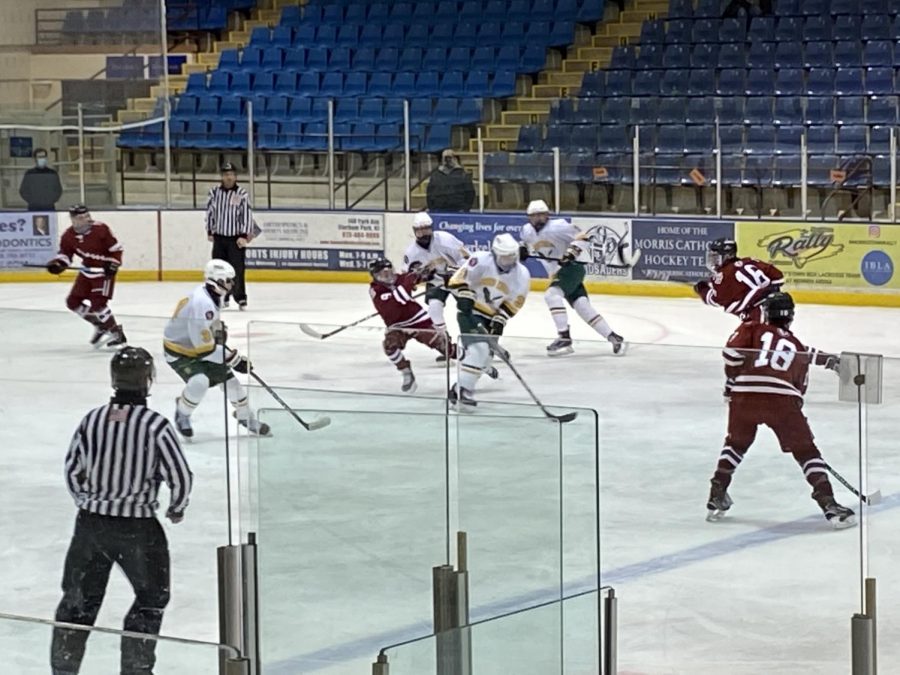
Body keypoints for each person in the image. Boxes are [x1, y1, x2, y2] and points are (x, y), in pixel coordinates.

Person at [51, 347, 192, 675]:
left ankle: (63, 671)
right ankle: (136, 670)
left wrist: (89, 502)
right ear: (148, 381)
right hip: (138, 529)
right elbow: (180, 476)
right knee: (150, 599)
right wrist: (177, 507)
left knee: (77, 603)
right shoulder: (155, 426)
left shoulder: (93, 420)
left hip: (91, 526)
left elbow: (73, 470)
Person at [706, 292, 855, 529]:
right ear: (791, 317)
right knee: (806, 451)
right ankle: (828, 503)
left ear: (767, 313)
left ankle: (717, 492)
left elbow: (731, 355)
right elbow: (799, 387)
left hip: (744, 395)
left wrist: (731, 385)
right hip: (782, 399)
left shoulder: (752, 328)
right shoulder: (795, 345)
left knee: (735, 444)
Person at [163, 259, 270, 438]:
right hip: (180, 352)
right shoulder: (202, 303)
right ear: (218, 280)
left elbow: (207, 337)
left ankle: (246, 418)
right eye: (229, 280)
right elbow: (204, 349)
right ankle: (182, 413)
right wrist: (235, 360)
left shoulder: (210, 296)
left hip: (197, 346)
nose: (232, 284)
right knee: (199, 382)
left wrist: (220, 338)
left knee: (232, 383)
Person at [519, 200, 625, 356]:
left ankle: (564, 337)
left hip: (571, 268)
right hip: (557, 272)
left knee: (551, 295)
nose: (538, 218)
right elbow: (524, 241)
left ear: (547, 215)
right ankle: (613, 337)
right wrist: (522, 249)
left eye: (541, 215)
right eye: (534, 216)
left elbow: (583, 237)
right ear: (529, 217)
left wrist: (571, 253)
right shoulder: (527, 230)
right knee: (582, 306)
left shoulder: (558, 226)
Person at [447, 233, 529, 408]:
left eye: (511, 257)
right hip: (471, 313)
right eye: (504, 257)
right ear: (494, 253)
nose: (507, 261)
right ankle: (461, 392)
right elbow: (458, 279)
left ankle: (460, 390)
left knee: (484, 358)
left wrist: (500, 321)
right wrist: (465, 296)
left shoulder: (522, 274)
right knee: (479, 351)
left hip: (492, 318)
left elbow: (515, 302)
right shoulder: (480, 260)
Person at [369, 258, 466, 393]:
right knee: (389, 346)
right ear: (375, 277)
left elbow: (426, 277)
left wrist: (432, 273)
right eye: (382, 274)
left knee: (446, 348)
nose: (387, 276)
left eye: (388, 272)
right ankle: (406, 371)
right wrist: (412, 277)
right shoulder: (376, 290)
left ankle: (475, 361)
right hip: (397, 326)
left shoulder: (401, 278)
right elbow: (400, 297)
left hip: (419, 321)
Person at [47, 204, 126, 348]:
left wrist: (114, 264)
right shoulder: (68, 236)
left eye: (87, 216)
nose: (86, 220)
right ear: (73, 219)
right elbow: (65, 254)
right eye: (81, 217)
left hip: (103, 273)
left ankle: (116, 333)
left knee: (98, 304)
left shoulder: (101, 229)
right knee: (73, 302)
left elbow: (116, 250)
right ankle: (100, 324)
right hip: (86, 272)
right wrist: (58, 264)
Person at [401, 211, 470, 348]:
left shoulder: (445, 239)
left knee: (467, 309)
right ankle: (445, 344)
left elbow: (467, 258)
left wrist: (454, 272)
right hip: (436, 283)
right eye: (420, 231)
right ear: (414, 231)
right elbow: (407, 276)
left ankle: (472, 342)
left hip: (458, 280)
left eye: (426, 229)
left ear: (431, 228)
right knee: (434, 308)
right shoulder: (411, 253)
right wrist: (410, 285)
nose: (424, 233)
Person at [693, 238, 784, 322]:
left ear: (728, 255)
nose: (714, 261)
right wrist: (768, 293)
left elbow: (716, 300)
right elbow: (778, 278)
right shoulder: (751, 261)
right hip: (778, 309)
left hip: (756, 315)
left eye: (716, 257)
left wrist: (702, 289)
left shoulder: (723, 275)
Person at [206, 162, 253, 310]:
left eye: (232, 174)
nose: (229, 177)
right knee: (218, 269)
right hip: (219, 238)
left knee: (237, 270)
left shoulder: (242, 194)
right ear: (222, 176)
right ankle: (221, 297)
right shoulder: (214, 193)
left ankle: (240, 298)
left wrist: (244, 235)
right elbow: (209, 212)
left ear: (235, 176)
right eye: (226, 175)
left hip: (235, 239)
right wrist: (210, 230)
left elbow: (246, 215)